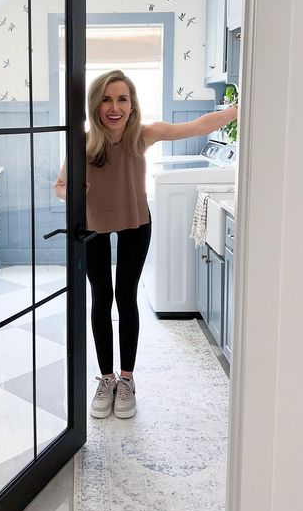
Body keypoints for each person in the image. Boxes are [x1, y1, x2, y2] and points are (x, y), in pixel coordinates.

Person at [54, 69, 237, 420]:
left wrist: (238, 110)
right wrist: (72, 194)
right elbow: (60, 186)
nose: (114, 106)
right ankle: (106, 378)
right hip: (94, 225)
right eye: (107, 98)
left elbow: (197, 126)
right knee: (101, 299)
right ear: (96, 104)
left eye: (122, 98)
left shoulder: (143, 135)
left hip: (136, 223)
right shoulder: (84, 142)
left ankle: (127, 380)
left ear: (132, 104)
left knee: (126, 297)